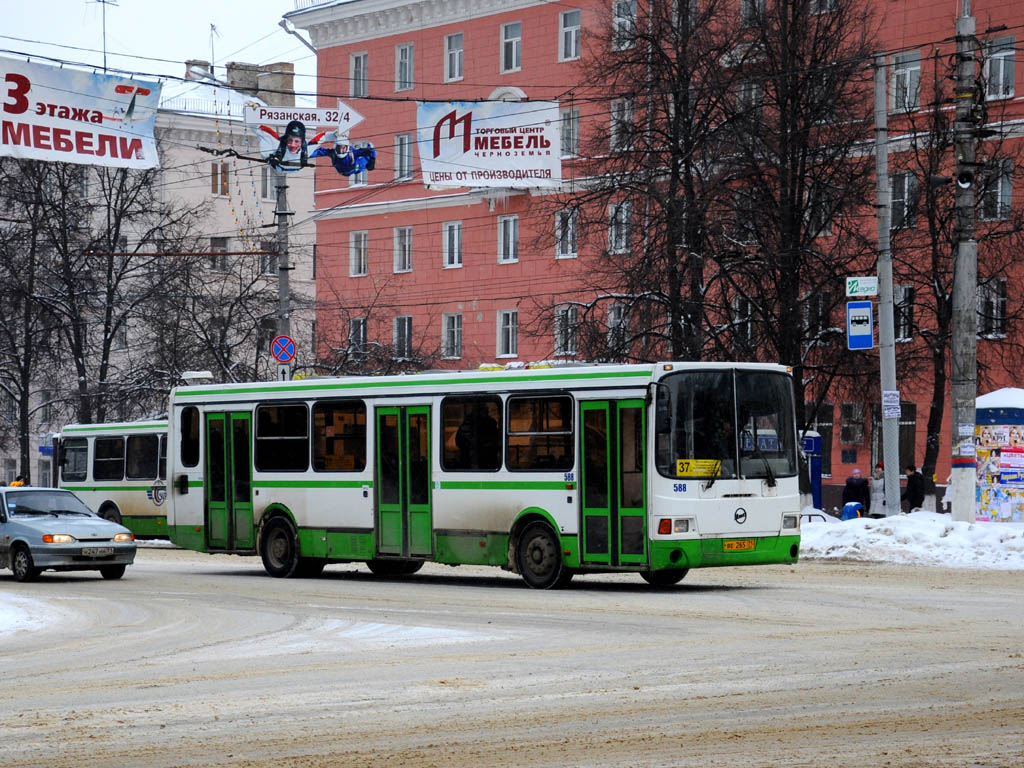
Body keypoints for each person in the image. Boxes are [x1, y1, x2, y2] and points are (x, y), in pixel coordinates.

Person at [310, 133, 376, 177]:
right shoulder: (333, 153)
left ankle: (369, 153)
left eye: (343, 148)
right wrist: (307, 153)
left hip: (354, 169)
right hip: (342, 172)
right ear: (335, 147)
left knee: (363, 161)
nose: (341, 151)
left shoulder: (353, 152)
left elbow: (371, 151)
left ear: (347, 148)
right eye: (339, 148)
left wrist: (372, 160)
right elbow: (319, 152)